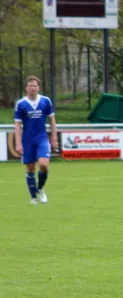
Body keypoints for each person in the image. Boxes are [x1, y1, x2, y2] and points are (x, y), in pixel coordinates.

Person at [14, 76, 58, 204]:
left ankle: (40, 189)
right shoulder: (21, 104)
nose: (33, 87)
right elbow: (17, 124)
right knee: (31, 168)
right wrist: (18, 143)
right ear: (26, 88)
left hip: (42, 138)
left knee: (43, 165)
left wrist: (54, 138)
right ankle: (33, 198)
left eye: (35, 85)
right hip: (27, 140)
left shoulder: (45, 101)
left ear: (38, 88)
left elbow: (52, 120)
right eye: (30, 85)